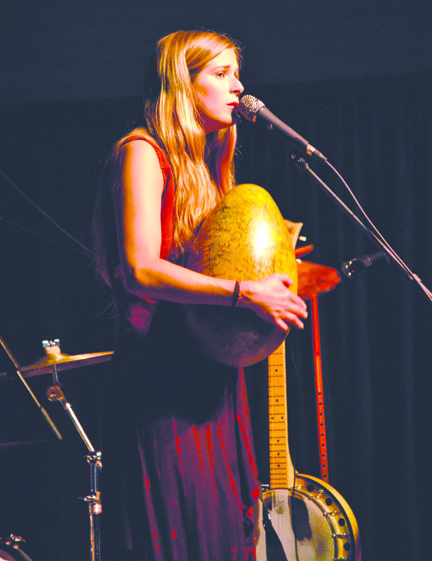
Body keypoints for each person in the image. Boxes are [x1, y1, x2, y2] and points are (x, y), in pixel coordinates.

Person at [92, 29, 307, 561]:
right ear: (182, 86)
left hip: (211, 380)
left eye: (237, 74)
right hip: (159, 384)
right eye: (221, 74)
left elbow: (201, 265)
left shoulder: (210, 169)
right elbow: (141, 268)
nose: (239, 88)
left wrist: (272, 272)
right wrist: (242, 291)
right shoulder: (142, 152)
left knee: (222, 536)